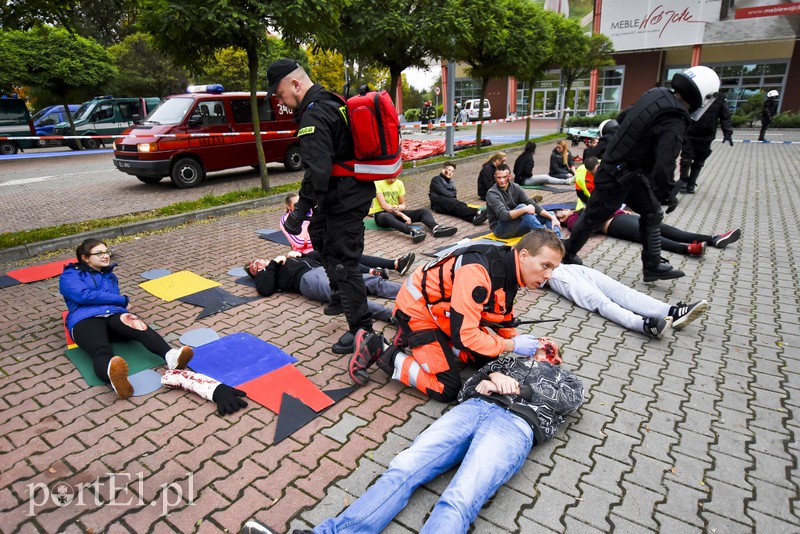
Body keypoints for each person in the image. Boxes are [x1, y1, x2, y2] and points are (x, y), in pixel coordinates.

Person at [259, 349, 583, 534]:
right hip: (472, 411)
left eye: (550, 348)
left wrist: (520, 389)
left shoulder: (564, 377)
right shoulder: (508, 360)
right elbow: (465, 391)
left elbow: (568, 401)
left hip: (516, 424)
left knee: (460, 497)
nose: (543, 347)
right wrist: (492, 377)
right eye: (540, 346)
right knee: (403, 468)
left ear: (556, 357)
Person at [348, 229, 565, 402]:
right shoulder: (478, 272)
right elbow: (466, 336)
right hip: (417, 310)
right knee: (446, 388)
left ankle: (412, 338)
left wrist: (528, 344)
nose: (548, 276)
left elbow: (502, 315)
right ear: (524, 255)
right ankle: (378, 347)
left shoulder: (509, 269)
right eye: (545, 266)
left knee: (486, 356)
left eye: (553, 269)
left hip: (441, 310)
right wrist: (512, 345)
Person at [561, 65, 722, 282]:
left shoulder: (655, 94)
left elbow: (622, 119)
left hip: (627, 174)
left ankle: (652, 265)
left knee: (652, 213)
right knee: (592, 218)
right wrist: (666, 193)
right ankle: (566, 254)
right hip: (619, 177)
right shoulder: (676, 118)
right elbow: (666, 162)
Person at [267, 58, 375, 354]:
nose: (280, 101)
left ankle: (362, 331)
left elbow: (318, 172)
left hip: (344, 198)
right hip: (344, 194)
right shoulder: (331, 100)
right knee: (318, 232)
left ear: (295, 84)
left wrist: (299, 211)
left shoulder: (313, 115)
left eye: (279, 94)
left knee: (344, 263)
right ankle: (341, 294)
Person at [59, 239, 194, 400]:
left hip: (113, 314)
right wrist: (122, 300)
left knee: (138, 326)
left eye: (106, 252)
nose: (105, 256)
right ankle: (115, 379)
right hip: (85, 318)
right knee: (101, 350)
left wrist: (123, 311)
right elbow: (83, 296)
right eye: (99, 253)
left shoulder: (110, 276)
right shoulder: (71, 274)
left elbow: (112, 300)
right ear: (85, 258)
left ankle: (170, 356)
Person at [546, 263, 709, 339]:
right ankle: (645, 325)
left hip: (569, 266)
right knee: (601, 302)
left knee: (623, 291)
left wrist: (551, 217)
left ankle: (673, 312)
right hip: (555, 275)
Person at [280, 193, 416, 277]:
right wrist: (320, 238)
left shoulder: (310, 213)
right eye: (296, 205)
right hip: (308, 254)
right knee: (342, 258)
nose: (301, 206)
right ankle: (372, 271)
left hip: (325, 246)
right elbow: (298, 242)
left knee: (355, 255)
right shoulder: (286, 220)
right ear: (289, 207)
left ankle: (396, 264)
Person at [245, 251, 401, 324]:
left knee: (371, 281)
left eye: (258, 260)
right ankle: (392, 315)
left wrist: (300, 255)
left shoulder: (282, 261)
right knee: (345, 294)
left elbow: (318, 256)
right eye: (254, 267)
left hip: (323, 269)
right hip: (308, 279)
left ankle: (408, 293)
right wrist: (272, 263)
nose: (258, 263)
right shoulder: (265, 275)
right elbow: (265, 290)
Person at [556, 207, 741, 256]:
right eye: (559, 214)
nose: (562, 212)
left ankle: (713, 239)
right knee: (649, 237)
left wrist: (621, 210)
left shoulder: (578, 210)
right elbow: (588, 225)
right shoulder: (573, 221)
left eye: (561, 210)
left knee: (667, 229)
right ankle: (687, 249)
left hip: (622, 217)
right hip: (614, 225)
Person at [370, 175, 457, 243]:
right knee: (387, 216)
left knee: (424, 211)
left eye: (395, 177)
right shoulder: (377, 183)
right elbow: (383, 205)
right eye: (391, 177)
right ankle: (413, 232)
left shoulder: (399, 183)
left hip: (397, 212)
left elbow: (403, 203)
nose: (393, 180)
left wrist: (402, 206)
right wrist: (402, 215)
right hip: (382, 214)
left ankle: (436, 228)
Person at [485, 163, 561, 239]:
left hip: (517, 226)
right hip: (501, 230)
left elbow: (533, 204)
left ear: (509, 176)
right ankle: (544, 234)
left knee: (550, 214)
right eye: (499, 177)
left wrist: (553, 218)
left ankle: (558, 240)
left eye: (504, 177)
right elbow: (504, 216)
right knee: (522, 207)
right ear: (495, 177)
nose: (502, 180)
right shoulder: (492, 193)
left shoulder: (516, 187)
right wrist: (524, 209)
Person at [678, 94, 733, 194]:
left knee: (699, 161)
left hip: (707, 135)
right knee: (686, 159)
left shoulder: (719, 99)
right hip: (689, 133)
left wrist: (727, 133)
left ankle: (691, 184)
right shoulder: (695, 93)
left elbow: (725, 116)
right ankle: (683, 182)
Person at [429, 161, 487, 225]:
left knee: (458, 208)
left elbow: (454, 195)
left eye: (452, 171)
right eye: (449, 170)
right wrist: (453, 197)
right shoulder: (436, 179)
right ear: (443, 170)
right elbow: (442, 191)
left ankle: (473, 218)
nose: (450, 172)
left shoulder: (451, 183)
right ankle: (477, 211)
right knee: (456, 205)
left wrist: (453, 198)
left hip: (447, 203)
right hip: (438, 202)